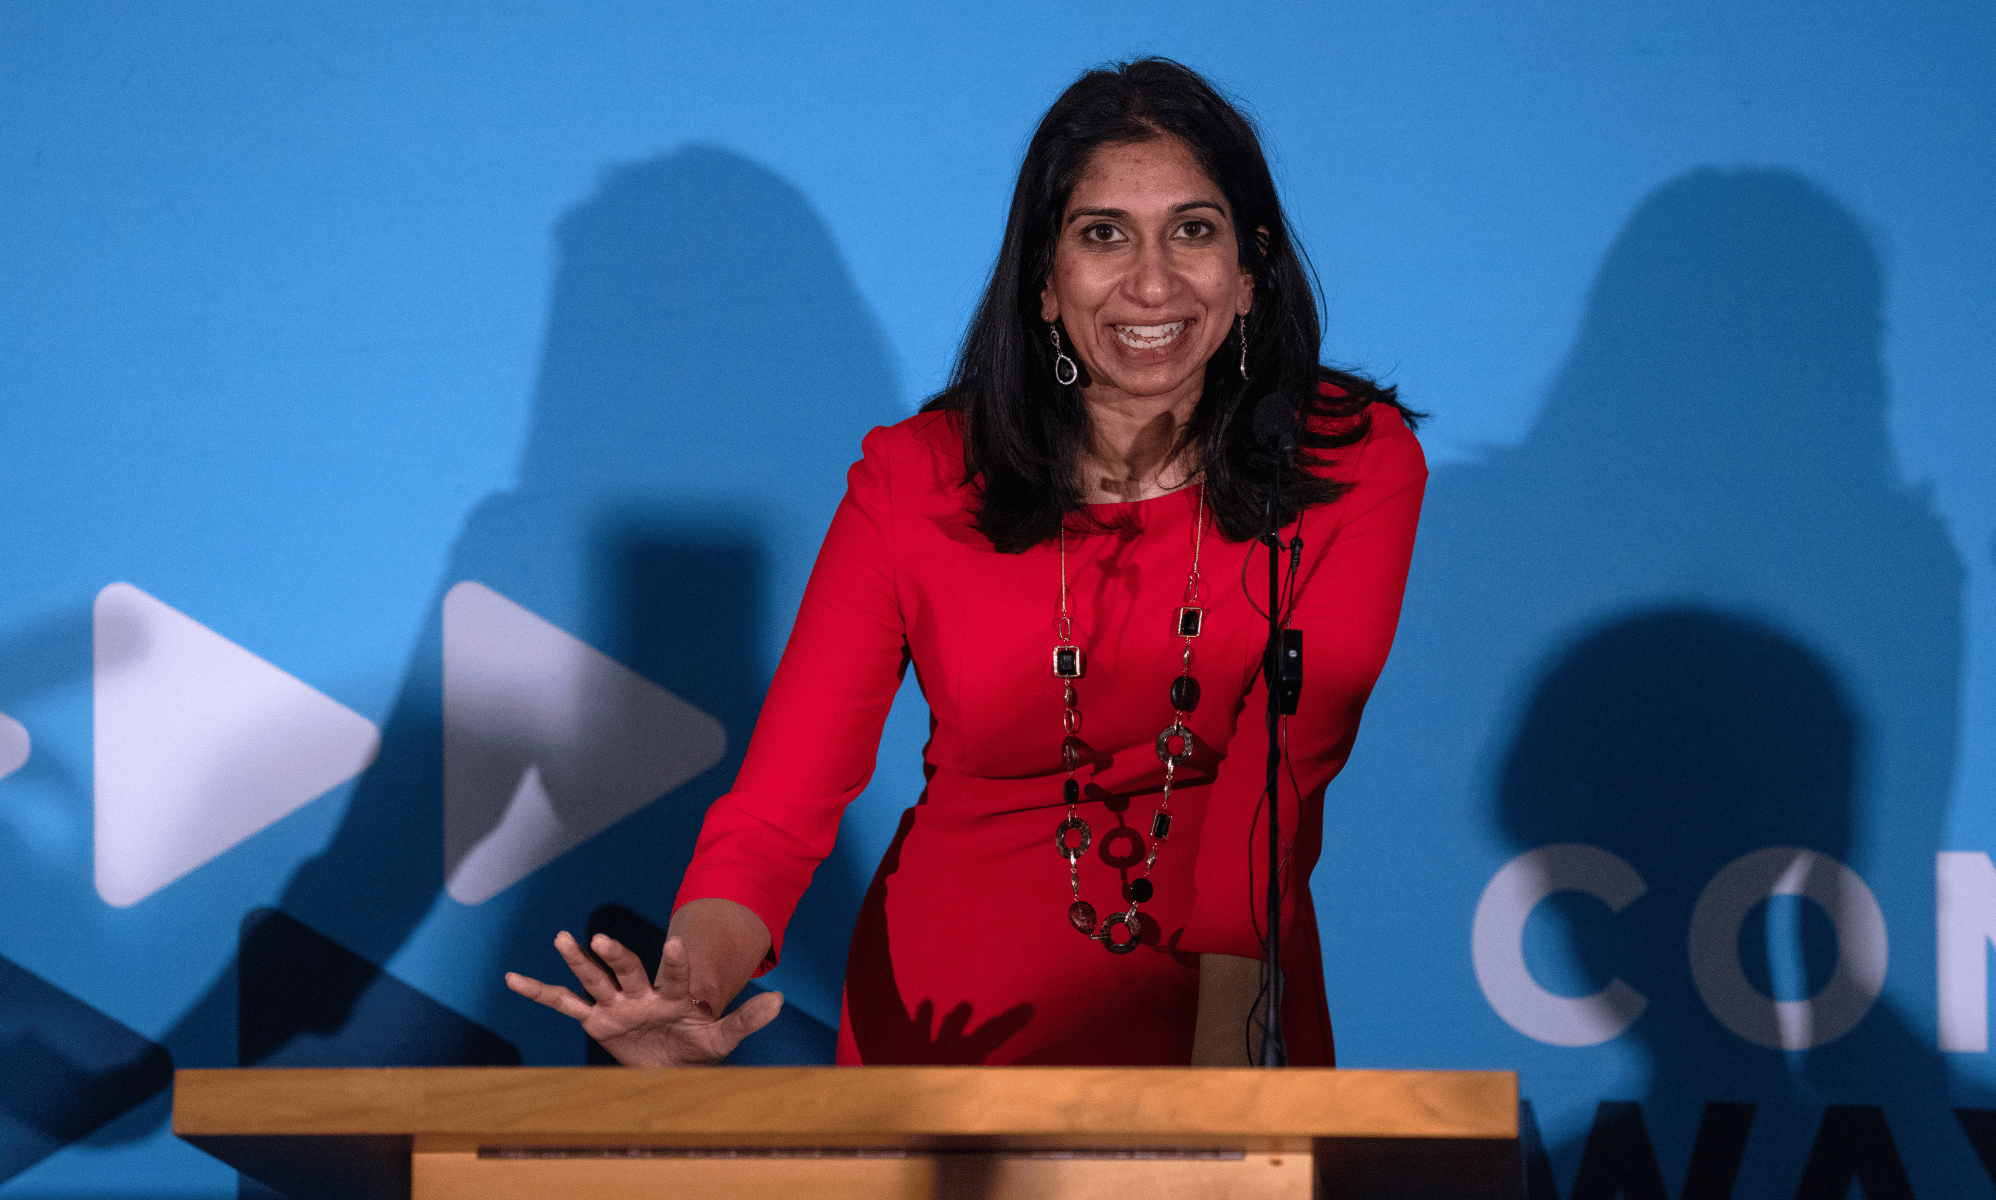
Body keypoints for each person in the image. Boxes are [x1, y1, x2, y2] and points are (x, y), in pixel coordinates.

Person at [505, 57, 1426, 1068]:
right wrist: (694, 987)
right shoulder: (916, 480)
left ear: (1250, 270)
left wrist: (1222, 1087)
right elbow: (779, 805)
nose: (1152, 280)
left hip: (1232, 999)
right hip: (948, 1024)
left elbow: (1277, 785)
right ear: (1043, 279)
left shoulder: (1348, 462)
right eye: (1102, 234)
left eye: (1192, 231)